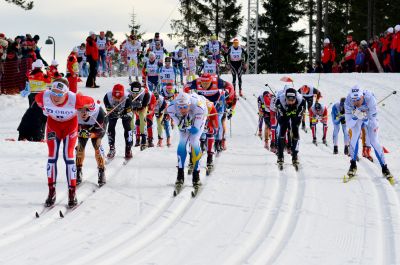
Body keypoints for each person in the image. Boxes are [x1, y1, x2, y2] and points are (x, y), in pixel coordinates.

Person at [35, 78, 95, 208]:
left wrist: (86, 111)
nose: (55, 98)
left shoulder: (76, 99)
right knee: (52, 157)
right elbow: (39, 101)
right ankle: (51, 191)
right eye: (53, 93)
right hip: (53, 127)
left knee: (68, 156)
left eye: (59, 94)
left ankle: (72, 192)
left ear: (66, 93)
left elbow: (92, 103)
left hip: (70, 127)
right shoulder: (43, 97)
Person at [344, 85, 394, 184]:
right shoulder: (348, 101)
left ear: (362, 96)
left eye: (358, 99)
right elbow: (349, 124)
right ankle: (353, 165)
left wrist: (365, 118)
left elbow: (374, 124)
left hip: (369, 116)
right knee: (354, 137)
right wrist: (355, 117)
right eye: (354, 100)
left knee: (374, 141)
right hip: (357, 116)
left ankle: (384, 167)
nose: (356, 102)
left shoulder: (371, 99)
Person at [166, 92, 207, 193]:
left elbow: (195, 130)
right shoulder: (171, 108)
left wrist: (188, 125)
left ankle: (196, 176)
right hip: (186, 119)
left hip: (199, 115)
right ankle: (180, 175)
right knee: (182, 141)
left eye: (185, 106)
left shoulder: (198, 107)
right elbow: (179, 124)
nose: (182, 109)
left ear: (189, 104)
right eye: (180, 107)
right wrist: (182, 124)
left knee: (193, 141)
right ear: (177, 105)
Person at [189, 73, 236, 152]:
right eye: (203, 83)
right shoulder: (196, 82)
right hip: (204, 102)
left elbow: (231, 88)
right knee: (203, 120)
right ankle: (202, 141)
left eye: (207, 83)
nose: (205, 85)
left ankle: (219, 141)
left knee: (218, 120)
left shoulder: (218, 82)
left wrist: (231, 110)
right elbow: (186, 87)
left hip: (218, 101)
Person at [76, 103, 108, 186]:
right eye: (80, 110)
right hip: (83, 128)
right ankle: (78, 170)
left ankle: (101, 171)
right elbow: (71, 132)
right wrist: (79, 133)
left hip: (96, 127)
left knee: (97, 145)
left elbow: (100, 132)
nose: (83, 113)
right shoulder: (74, 113)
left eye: (86, 111)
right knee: (80, 147)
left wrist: (90, 135)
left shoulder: (99, 113)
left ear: (91, 111)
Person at [275, 87, 306, 167]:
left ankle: (295, 156)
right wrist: (287, 111)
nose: (291, 102)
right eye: (289, 100)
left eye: (293, 100)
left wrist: (294, 112)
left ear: (296, 98)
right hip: (283, 112)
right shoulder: (280, 100)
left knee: (295, 130)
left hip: (296, 112)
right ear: (285, 98)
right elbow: (281, 115)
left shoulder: (301, 101)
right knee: (282, 130)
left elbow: (300, 114)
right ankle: (280, 156)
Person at [104, 84, 133, 159]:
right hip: (113, 111)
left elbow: (129, 110)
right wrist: (112, 113)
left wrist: (123, 114)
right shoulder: (107, 97)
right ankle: (112, 148)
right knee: (111, 126)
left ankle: (128, 148)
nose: (117, 99)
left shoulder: (128, 97)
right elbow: (108, 110)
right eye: (115, 97)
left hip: (125, 111)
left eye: (119, 98)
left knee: (127, 126)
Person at [129, 81, 154, 150]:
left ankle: (143, 137)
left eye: (137, 92)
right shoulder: (128, 92)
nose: (135, 94)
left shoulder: (145, 94)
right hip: (132, 106)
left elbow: (145, 105)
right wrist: (133, 107)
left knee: (142, 118)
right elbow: (127, 103)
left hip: (142, 106)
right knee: (129, 118)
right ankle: (132, 134)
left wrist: (141, 106)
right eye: (133, 92)